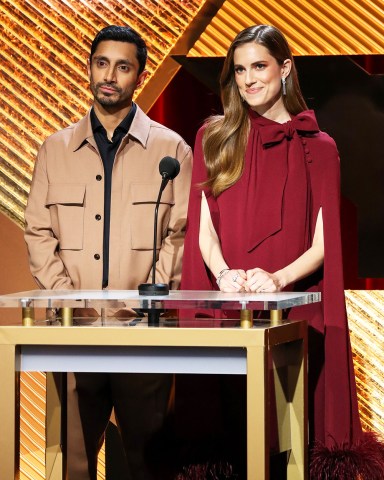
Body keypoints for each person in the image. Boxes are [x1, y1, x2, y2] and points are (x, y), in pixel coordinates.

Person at [181, 25, 384, 479]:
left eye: (259, 66)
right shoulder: (213, 138)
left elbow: (325, 240)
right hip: (229, 309)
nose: (249, 79)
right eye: (239, 70)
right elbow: (203, 225)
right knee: (229, 435)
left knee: (287, 442)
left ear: (285, 68)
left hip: (293, 316)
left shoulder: (319, 146)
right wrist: (223, 273)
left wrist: (278, 278)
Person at [24, 25, 192, 479]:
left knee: (148, 464)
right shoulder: (53, 149)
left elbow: (180, 234)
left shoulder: (171, 148)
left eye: (123, 66)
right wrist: (71, 302)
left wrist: (145, 303)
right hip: (72, 334)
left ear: (138, 75)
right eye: (102, 63)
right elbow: (39, 232)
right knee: (71, 465)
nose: (110, 75)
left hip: (143, 336)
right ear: (89, 68)